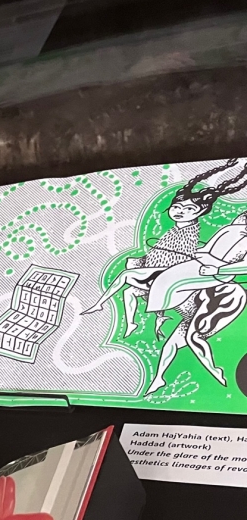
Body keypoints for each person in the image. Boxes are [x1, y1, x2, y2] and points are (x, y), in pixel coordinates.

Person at [83, 159, 247, 336]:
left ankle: (99, 304)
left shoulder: (191, 230)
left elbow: (182, 257)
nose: (180, 211)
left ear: (200, 212)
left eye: (189, 209)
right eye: (176, 207)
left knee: (127, 275)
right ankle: (132, 324)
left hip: (175, 270)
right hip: (166, 267)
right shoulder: (177, 228)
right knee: (129, 291)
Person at [143, 210, 247, 393]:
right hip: (203, 284)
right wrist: (196, 255)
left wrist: (219, 268)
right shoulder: (234, 228)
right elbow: (208, 249)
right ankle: (158, 379)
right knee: (172, 342)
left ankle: (216, 373)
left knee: (193, 336)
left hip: (225, 293)